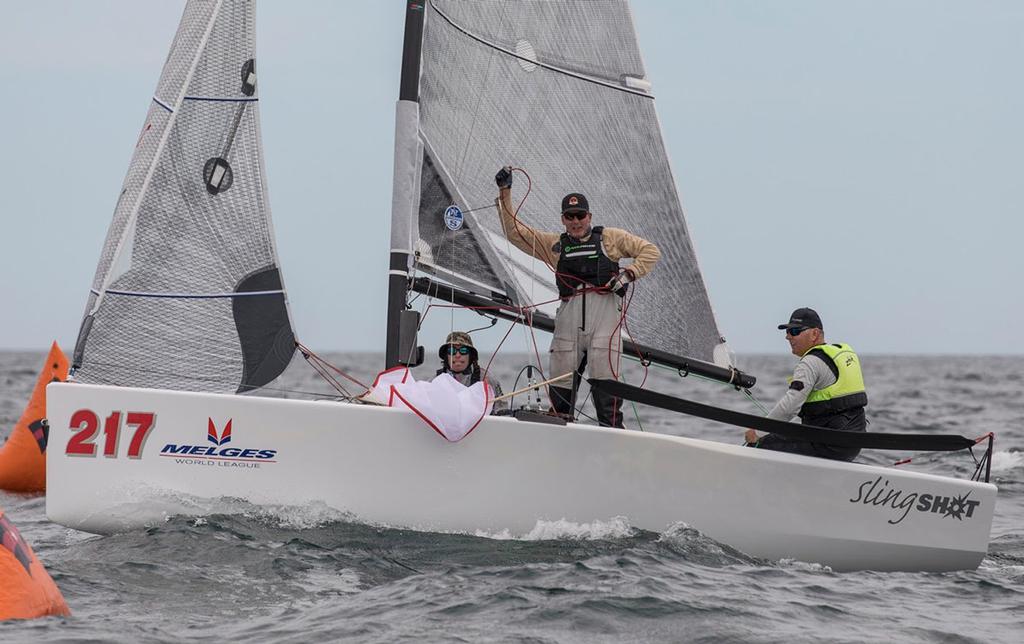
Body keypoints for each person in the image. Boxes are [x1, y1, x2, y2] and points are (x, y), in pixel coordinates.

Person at [493, 166, 661, 427]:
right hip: (568, 325)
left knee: (606, 387)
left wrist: (627, 275)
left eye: (580, 215)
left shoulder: (611, 238)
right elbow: (515, 234)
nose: (575, 221)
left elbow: (650, 251)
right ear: (563, 219)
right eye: (570, 216)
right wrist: (505, 192)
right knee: (560, 389)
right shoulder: (555, 246)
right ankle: (561, 433)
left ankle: (613, 434)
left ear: (589, 215)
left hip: (605, 325)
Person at [744, 308, 868, 461]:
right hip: (852, 444)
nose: (788, 337)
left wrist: (758, 432)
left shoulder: (810, 362)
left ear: (815, 334)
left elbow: (790, 406)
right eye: (788, 332)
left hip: (828, 445)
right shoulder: (842, 354)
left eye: (795, 331)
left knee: (759, 444)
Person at [435, 331, 508, 414]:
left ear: (471, 356)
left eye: (463, 350)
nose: (457, 355)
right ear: (446, 356)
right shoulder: (435, 381)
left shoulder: (487, 380)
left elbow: (503, 413)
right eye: (452, 351)